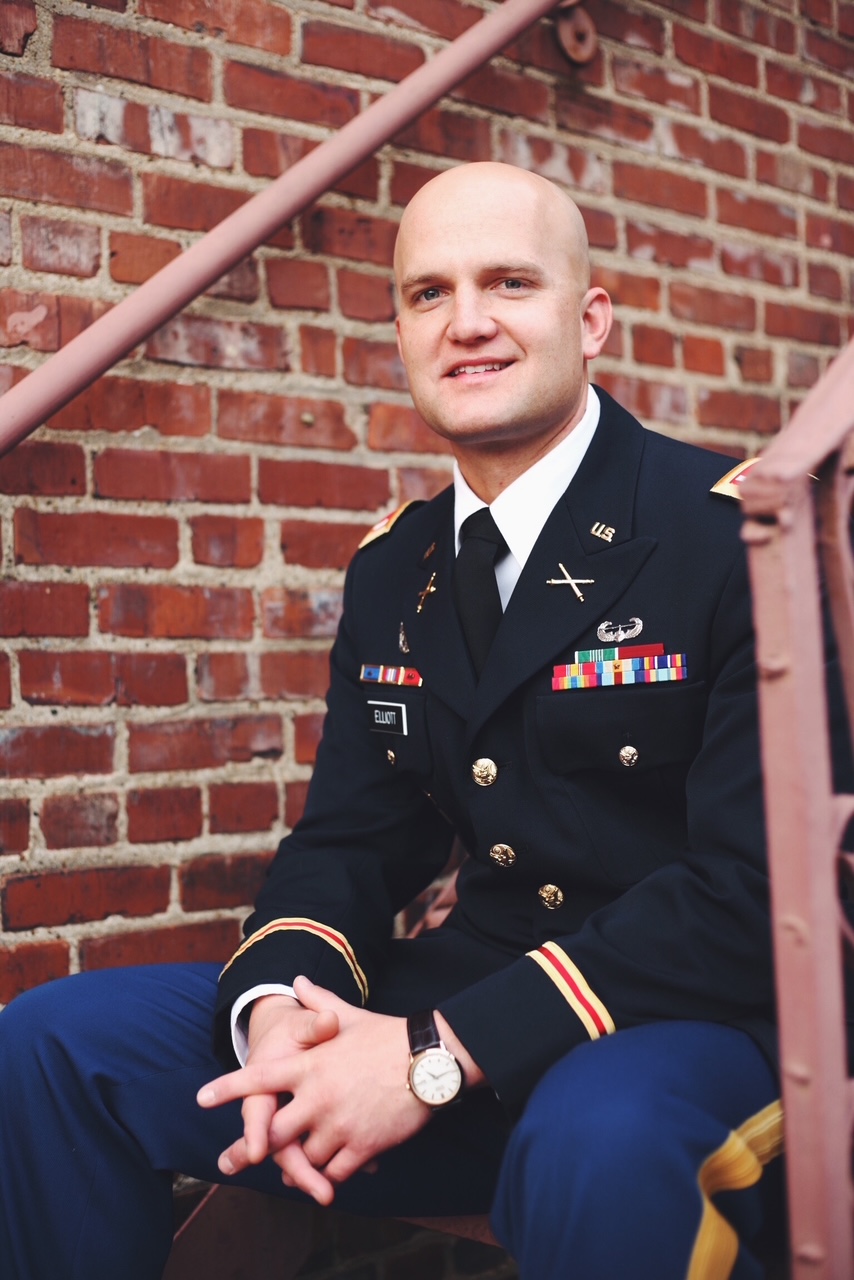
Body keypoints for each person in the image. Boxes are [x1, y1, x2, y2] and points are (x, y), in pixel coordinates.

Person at [0, 162, 788, 1280]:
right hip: (461, 1002)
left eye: (508, 283)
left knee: (595, 1144)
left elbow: (752, 891)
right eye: (428, 293)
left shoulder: (734, 537)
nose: (466, 322)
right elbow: (351, 841)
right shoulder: (396, 567)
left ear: (589, 320)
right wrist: (277, 1011)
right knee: (54, 1046)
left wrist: (437, 1054)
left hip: (684, 1025)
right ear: (404, 333)